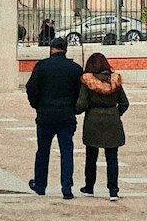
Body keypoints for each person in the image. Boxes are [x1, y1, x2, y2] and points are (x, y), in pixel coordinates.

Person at [25, 36, 83, 200]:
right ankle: (67, 187)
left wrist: (36, 105)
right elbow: (81, 93)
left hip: (46, 114)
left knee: (43, 150)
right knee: (66, 151)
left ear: (51, 48)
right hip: (66, 114)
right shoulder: (75, 69)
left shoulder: (42, 67)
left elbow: (31, 88)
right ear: (66, 49)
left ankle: (40, 185)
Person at [78, 51, 129, 200]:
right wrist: (115, 113)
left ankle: (89, 187)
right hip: (112, 119)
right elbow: (124, 103)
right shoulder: (115, 81)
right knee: (112, 157)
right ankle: (113, 190)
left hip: (93, 119)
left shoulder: (88, 82)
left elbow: (82, 103)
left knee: (91, 156)